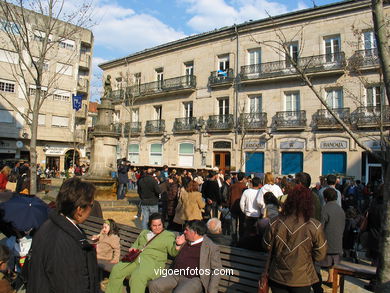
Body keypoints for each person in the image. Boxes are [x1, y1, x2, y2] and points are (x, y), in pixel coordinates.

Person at [27, 177, 99, 293]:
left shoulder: (49, 225)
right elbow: (72, 285)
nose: (92, 209)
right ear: (79, 210)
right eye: (91, 205)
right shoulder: (66, 242)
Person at [263, 185, 327, 293]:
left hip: (278, 276)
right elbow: (320, 254)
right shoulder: (314, 226)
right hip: (302, 277)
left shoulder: (275, 222)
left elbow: (266, 245)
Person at [105, 213, 178, 293]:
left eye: (159, 225)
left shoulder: (168, 236)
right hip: (136, 259)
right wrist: (133, 247)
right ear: (150, 225)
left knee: (137, 277)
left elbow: (173, 252)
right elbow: (136, 244)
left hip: (153, 263)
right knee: (117, 270)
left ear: (163, 224)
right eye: (154, 225)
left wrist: (177, 245)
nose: (157, 228)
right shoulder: (144, 233)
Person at [148, 220, 222, 293]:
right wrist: (178, 244)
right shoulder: (184, 239)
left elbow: (216, 269)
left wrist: (212, 290)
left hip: (193, 279)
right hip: (174, 275)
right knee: (153, 285)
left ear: (195, 232)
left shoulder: (211, 247)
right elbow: (169, 233)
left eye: (187, 230)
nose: (184, 232)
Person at [320, 188, 345, 284]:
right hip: (338, 242)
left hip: (327, 242)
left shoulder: (325, 209)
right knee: (334, 263)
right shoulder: (341, 209)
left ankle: (332, 280)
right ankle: (332, 279)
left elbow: (321, 227)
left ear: (325, 198)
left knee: (329, 261)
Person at [228, 172, 246, 244]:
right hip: (241, 208)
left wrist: (229, 205)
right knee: (241, 224)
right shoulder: (244, 187)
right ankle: (241, 239)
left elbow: (229, 197)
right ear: (243, 178)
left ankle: (234, 240)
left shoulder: (232, 186)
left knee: (233, 225)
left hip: (233, 207)